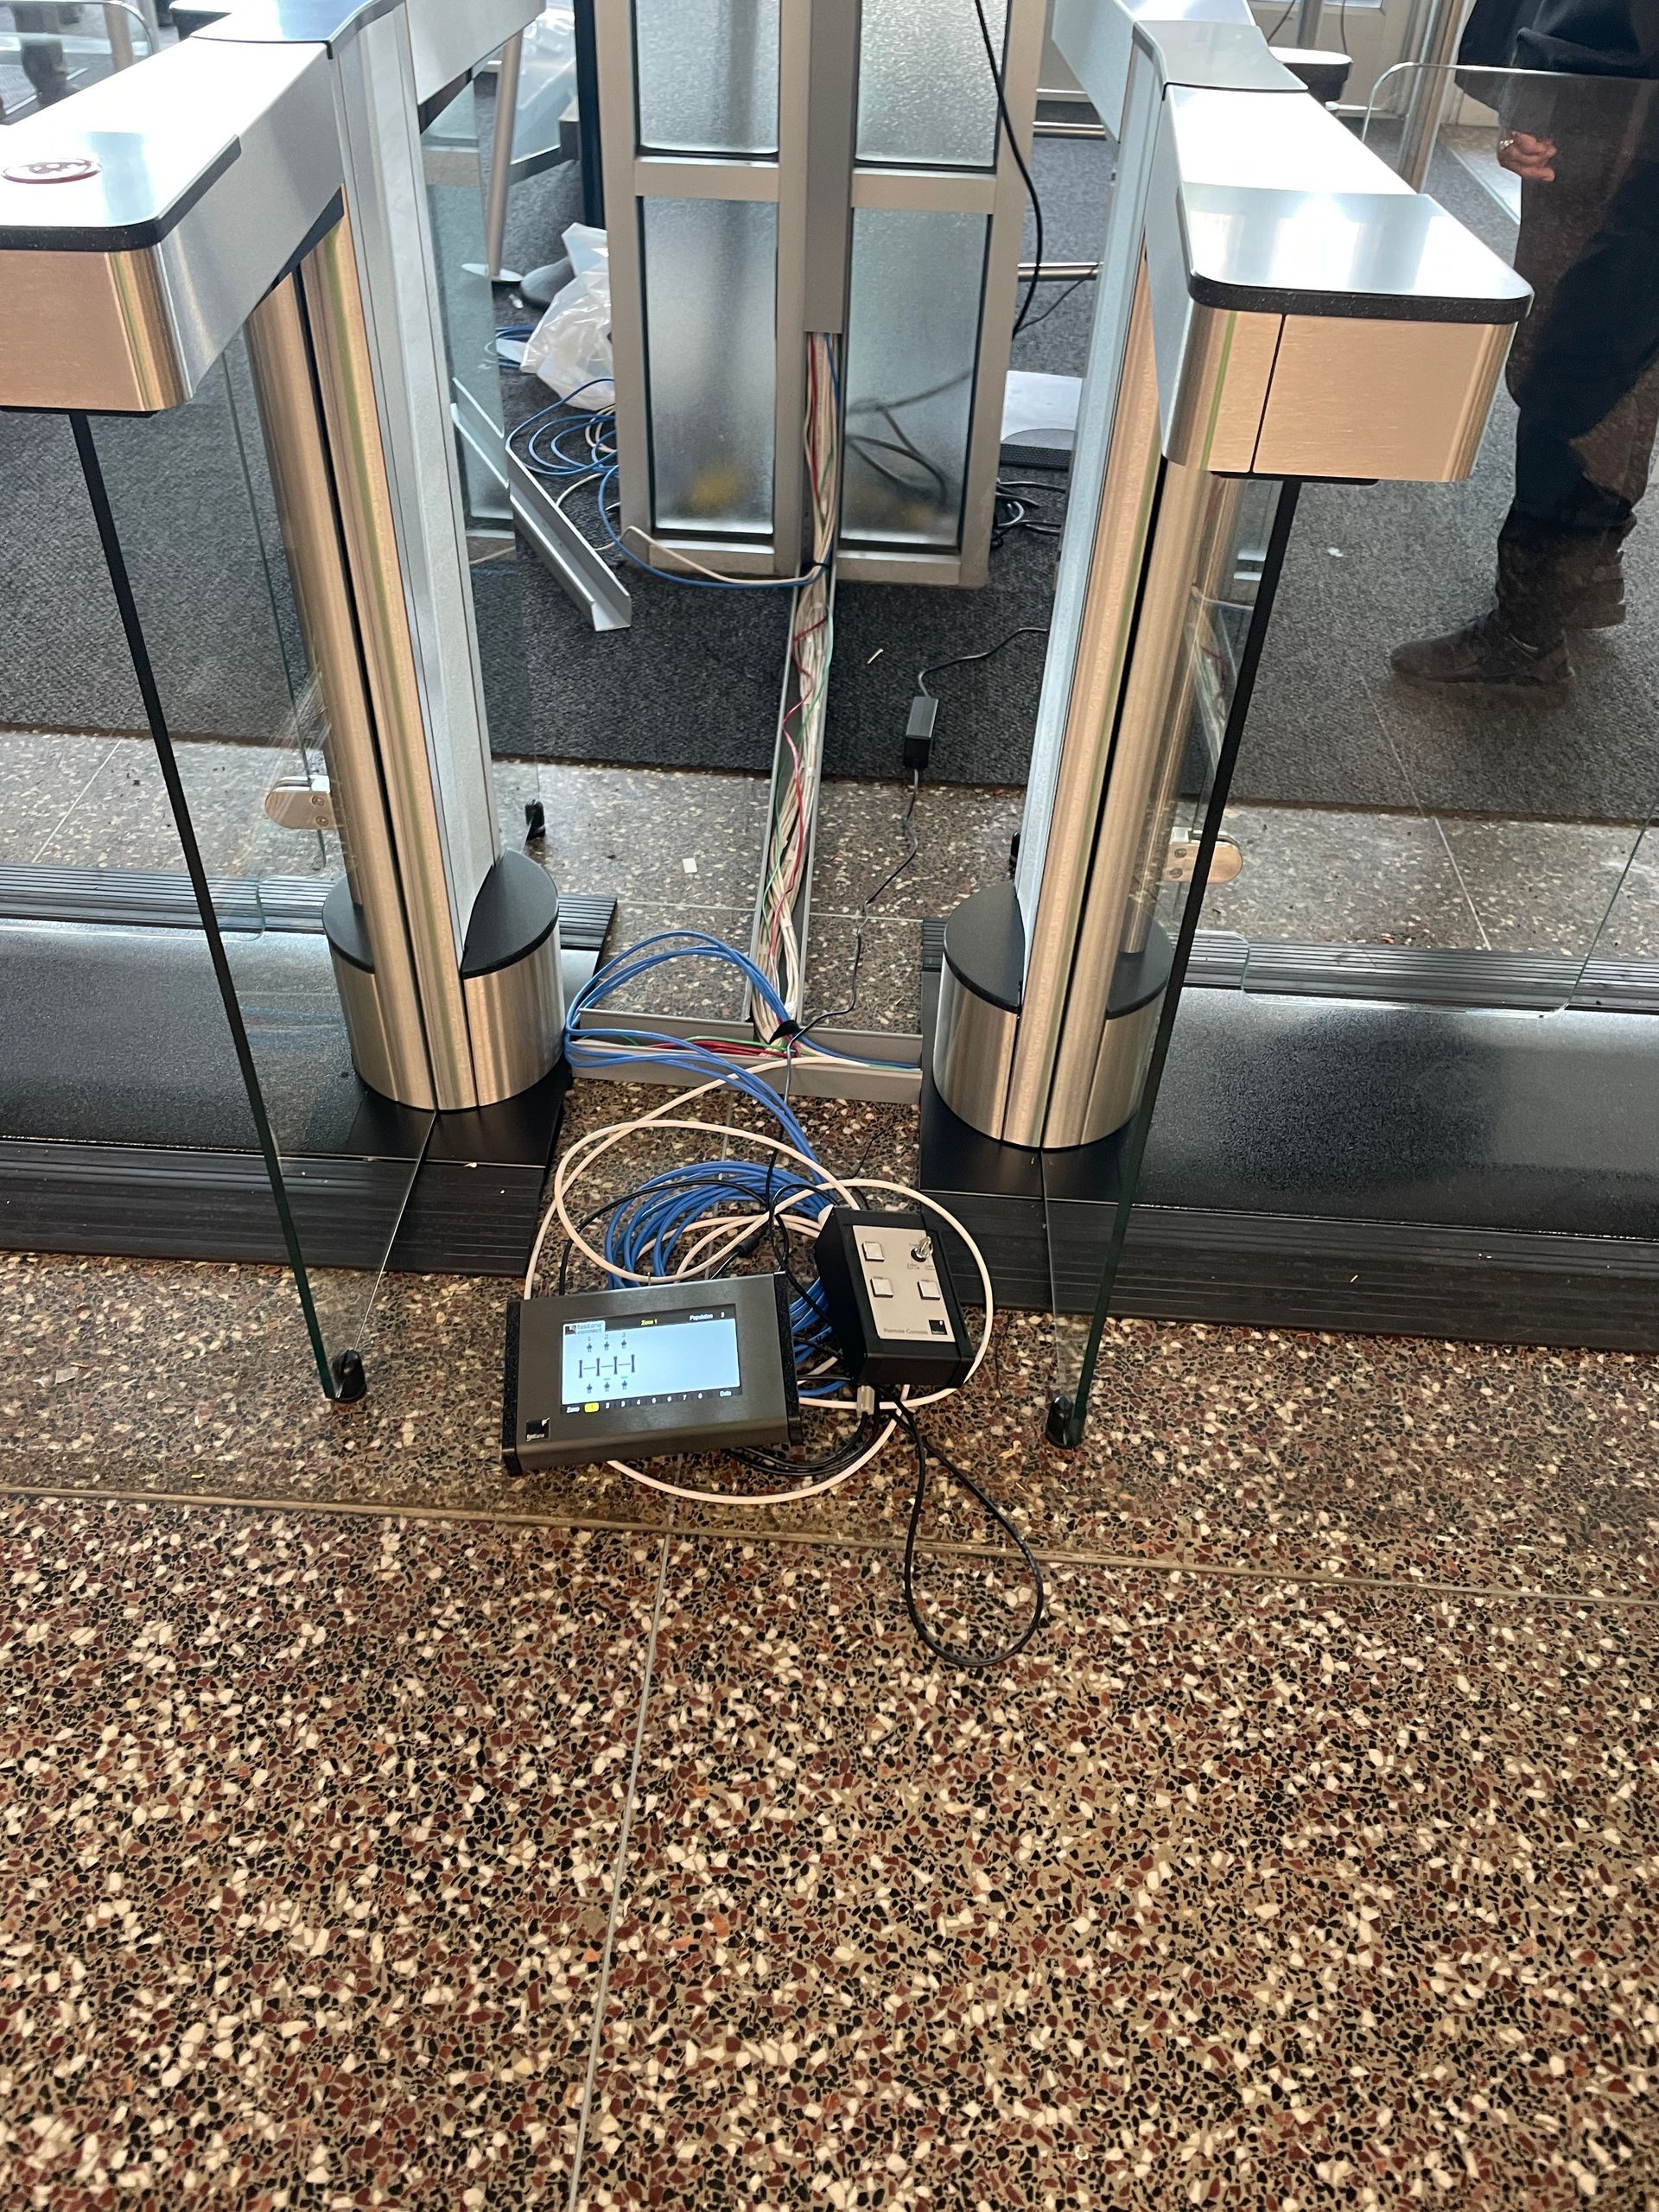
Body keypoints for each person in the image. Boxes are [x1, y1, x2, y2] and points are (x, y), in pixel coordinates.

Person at [1391, 0, 1659, 694]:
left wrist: (1537, 92)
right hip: (1625, 83)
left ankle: (1527, 630)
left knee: (1573, 355)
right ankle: (1586, 575)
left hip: (1618, 88)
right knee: (1628, 341)